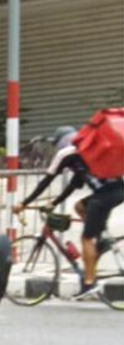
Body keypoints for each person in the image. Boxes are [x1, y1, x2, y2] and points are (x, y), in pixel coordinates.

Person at [16, 122, 123, 297]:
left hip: (103, 197)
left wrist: (24, 203)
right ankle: (101, 237)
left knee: (86, 239)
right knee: (79, 206)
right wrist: (55, 202)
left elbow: (46, 181)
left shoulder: (66, 153)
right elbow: (74, 184)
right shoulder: (85, 153)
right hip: (118, 191)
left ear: (62, 142)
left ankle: (89, 284)